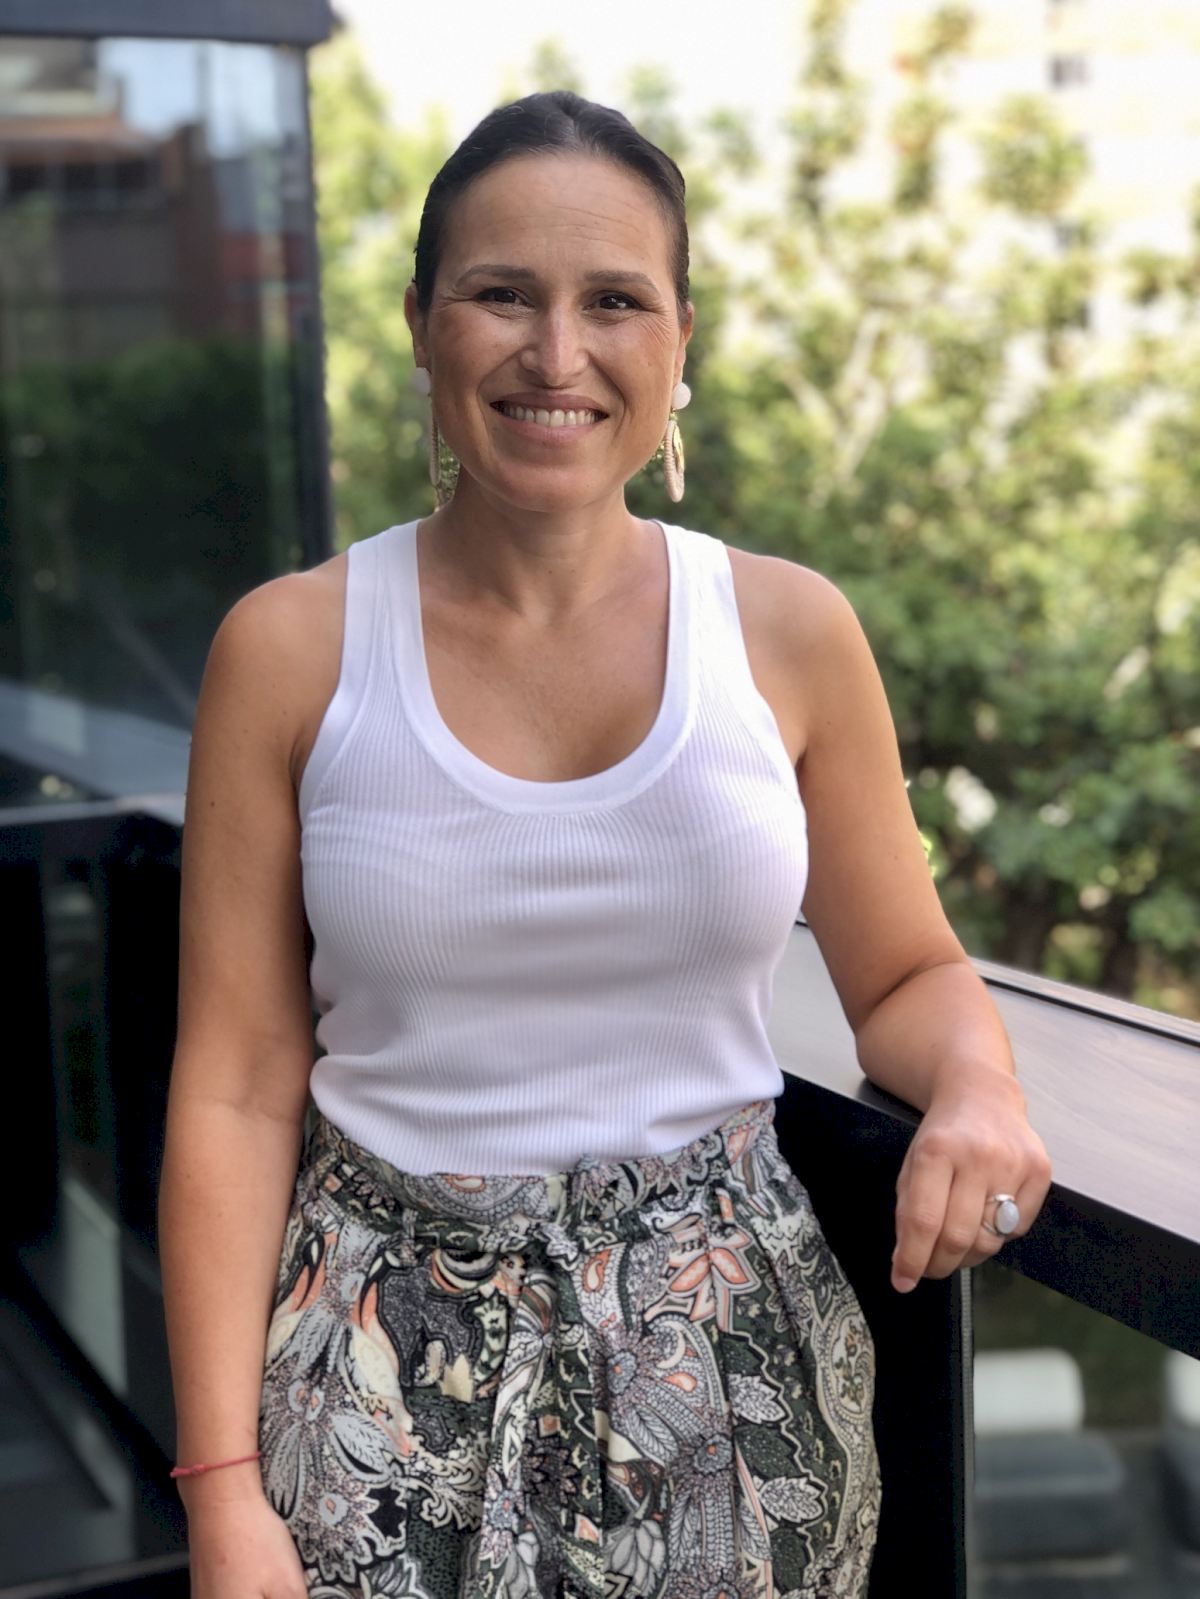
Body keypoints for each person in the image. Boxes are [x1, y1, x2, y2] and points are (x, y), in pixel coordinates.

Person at [158, 89, 1052, 1599]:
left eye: (616, 301)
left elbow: (907, 975)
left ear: (680, 341)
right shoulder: (290, 650)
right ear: (421, 326)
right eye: (502, 293)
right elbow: (238, 1088)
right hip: (371, 1393)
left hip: (733, 1395)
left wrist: (980, 1088)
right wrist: (222, 1490)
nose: (557, 353)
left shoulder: (789, 633)